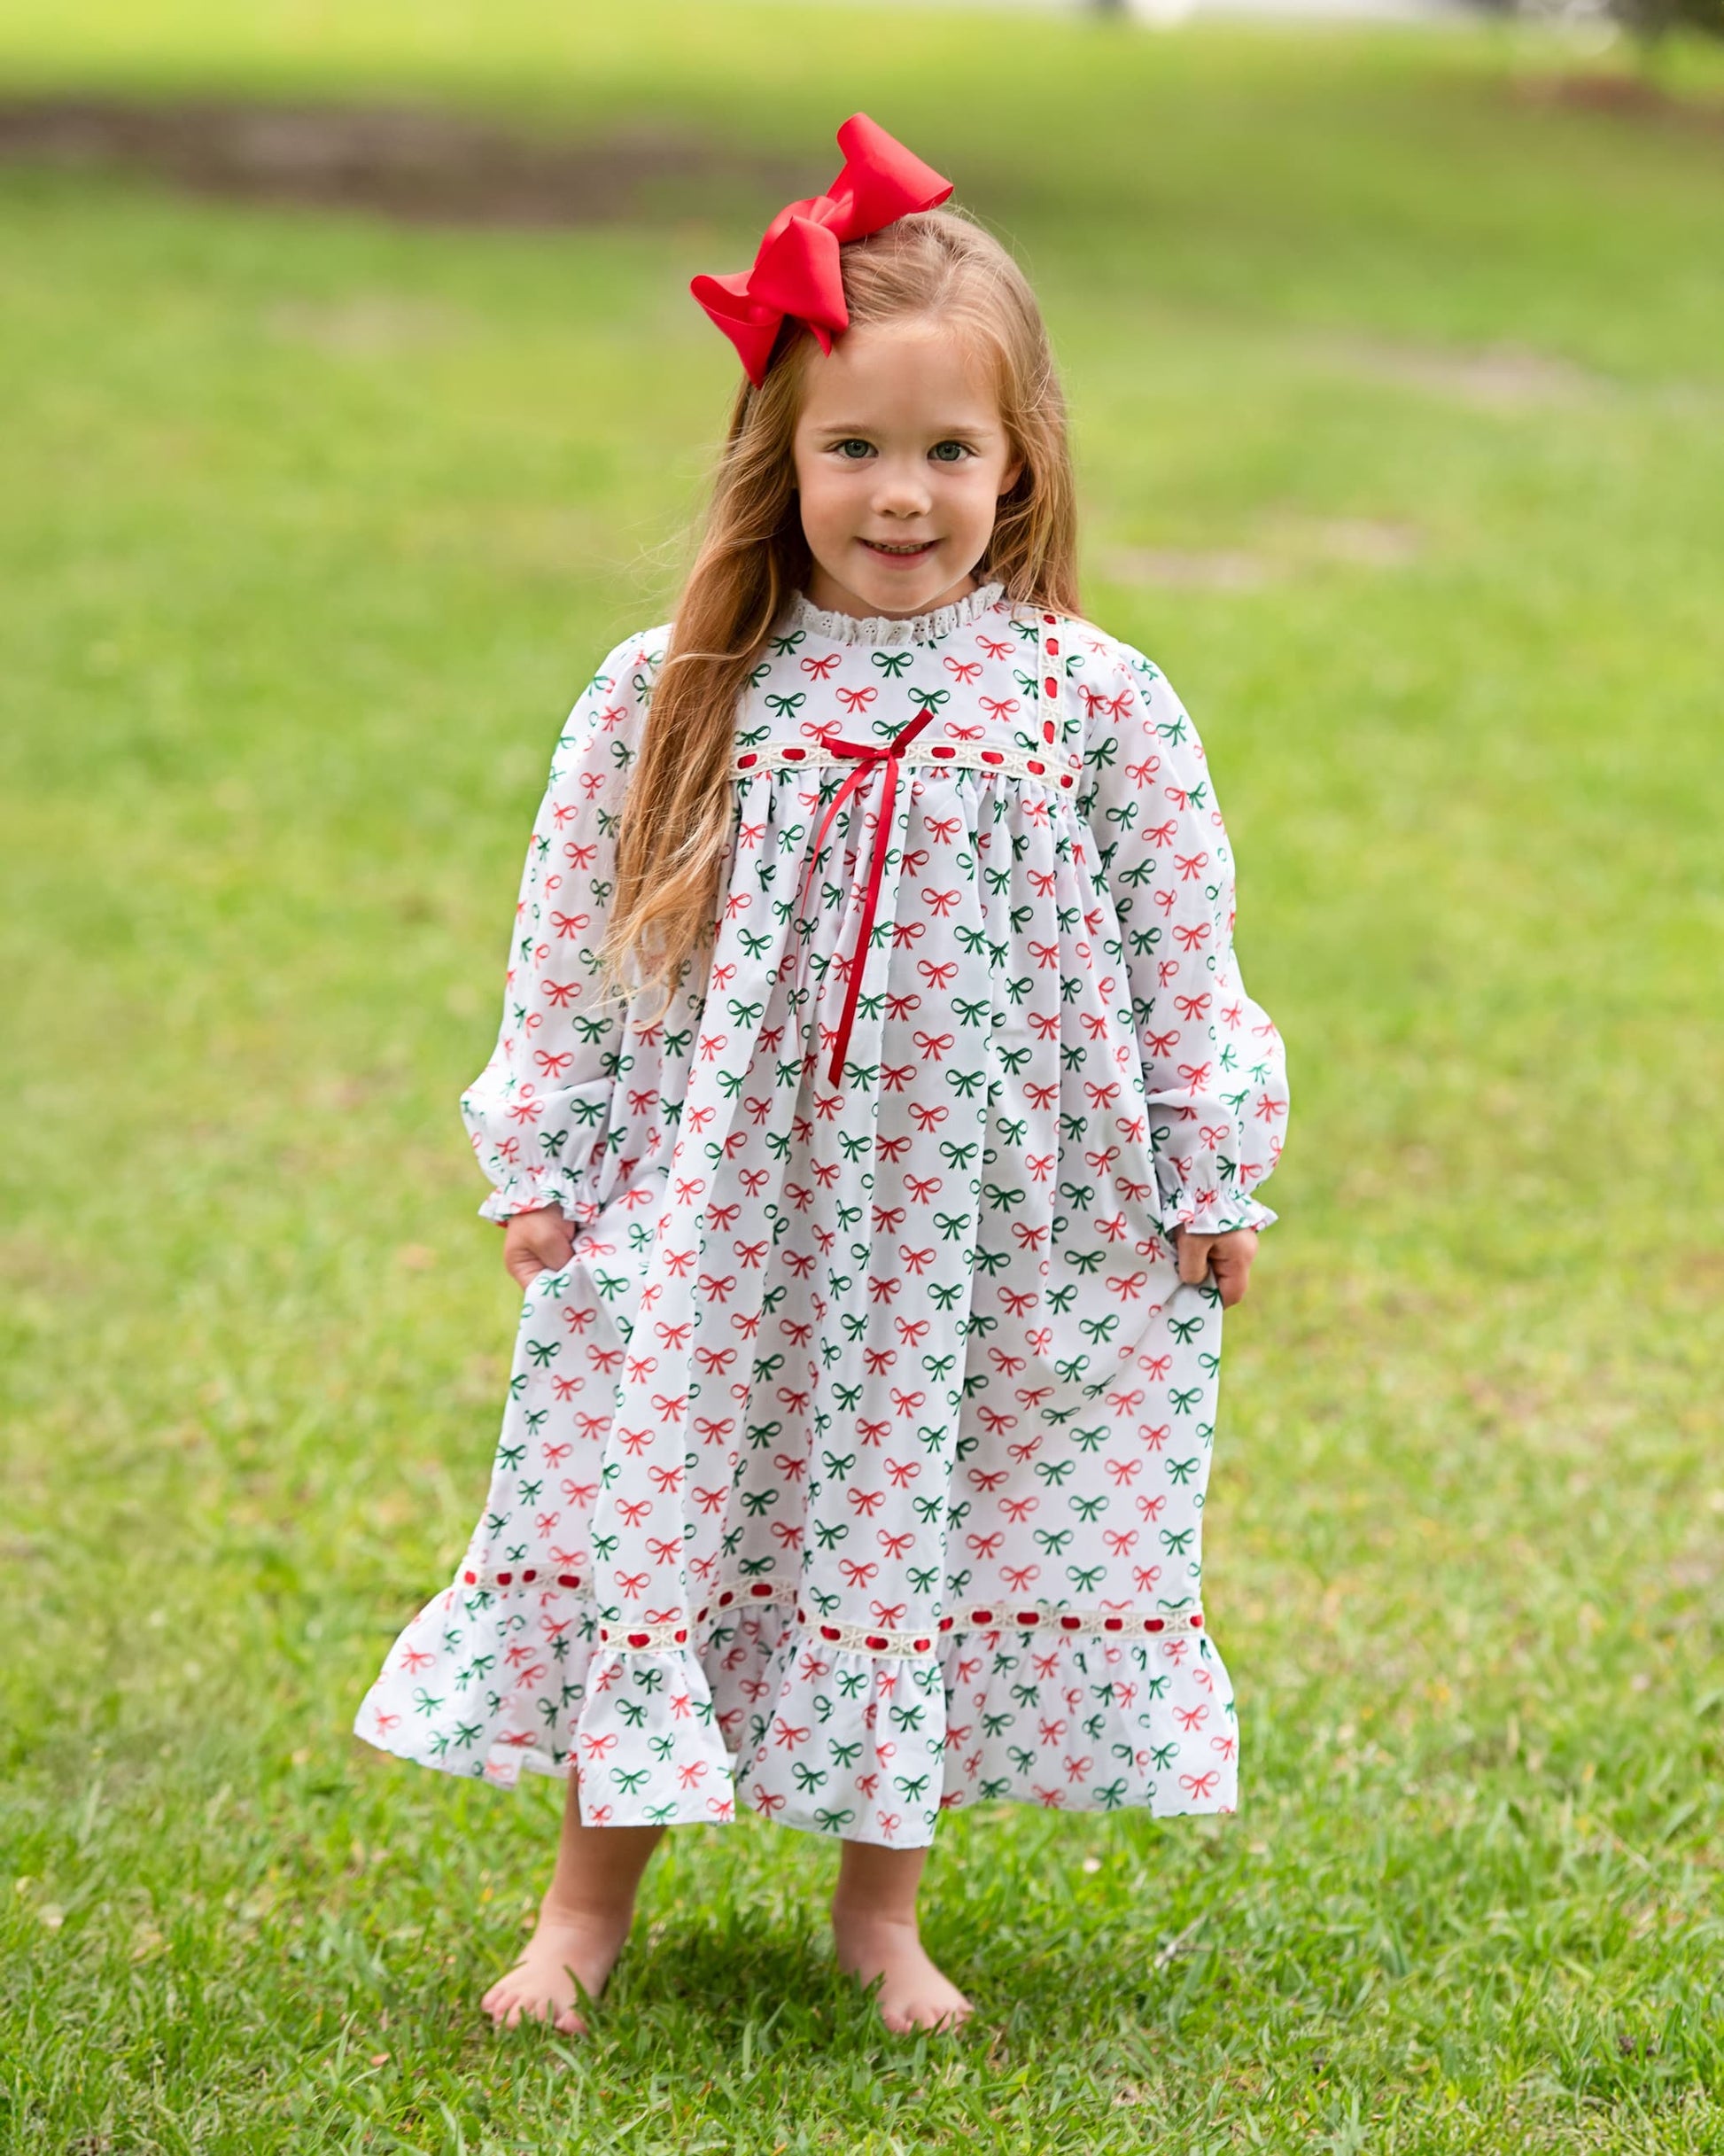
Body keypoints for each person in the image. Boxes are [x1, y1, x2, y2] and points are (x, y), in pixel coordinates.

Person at [354, 113, 1288, 2038]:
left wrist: (1209, 1175)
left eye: (948, 450)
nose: (900, 493)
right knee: (664, 1503)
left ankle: (882, 1910)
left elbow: (1180, 950)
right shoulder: (678, 687)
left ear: (1019, 458)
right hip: (722, 1216)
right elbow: (574, 942)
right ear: (777, 458)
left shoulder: (1089, 699)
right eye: (851, 447)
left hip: (978, 1223)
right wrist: (547, 1150)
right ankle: (581, 1906)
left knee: (927, 1512)